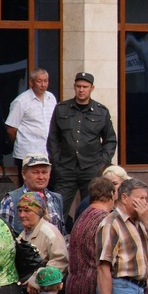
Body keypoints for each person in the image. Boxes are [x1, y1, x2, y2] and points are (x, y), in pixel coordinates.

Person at [47, 71, 117, 218]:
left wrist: (102, 163)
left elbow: (110, 140)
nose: (81, 90)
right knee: (56, 210)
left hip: (91, 168)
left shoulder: (101, 111)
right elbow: (53, 138)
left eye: (85, 86)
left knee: (92, 209)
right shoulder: (62, 109)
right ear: (74, 86)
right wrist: (56, 161)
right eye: (78, 86)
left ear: (92, 88)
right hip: (66, 168)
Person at [4, 68, 56, 182]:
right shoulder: (21, 101)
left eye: (46, 81)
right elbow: (11, 129)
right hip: (27, 153)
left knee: (47, 188)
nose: (43, 84)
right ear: (31, 82)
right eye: (39, 81)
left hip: (47, 153)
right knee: (28, 190)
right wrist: (19, 143)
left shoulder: (51, 98)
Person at [0, 153, 65, 235]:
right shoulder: (11, 200)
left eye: (44, 172)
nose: (41, 177)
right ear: (24, 174)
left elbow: (62, 233)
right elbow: (2, 237)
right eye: (35, 172)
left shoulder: (56, 199)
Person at [15, 191, 68, 282]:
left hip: (45, 289)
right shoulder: (22, 236)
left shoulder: (49, 233)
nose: (22, 215)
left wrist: (37, 281)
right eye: (20, 210)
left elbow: (60, 262)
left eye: (27, 211)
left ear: (38, 213)